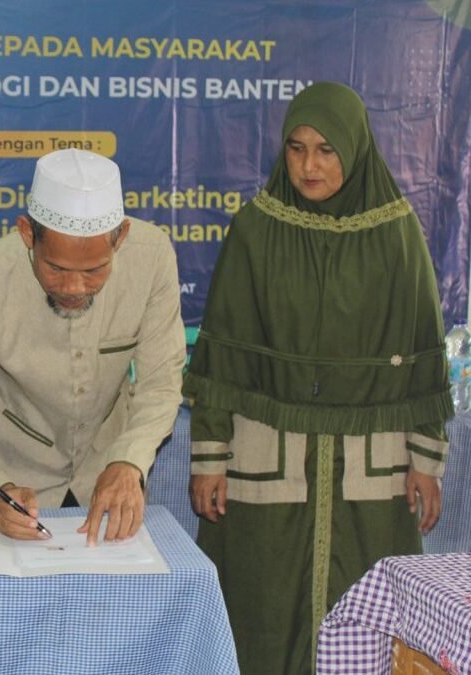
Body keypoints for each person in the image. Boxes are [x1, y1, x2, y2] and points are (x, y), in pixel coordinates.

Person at [183, 82, 451, 675]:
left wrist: (425, 462)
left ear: (355, 150)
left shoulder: (397, 233)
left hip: (371, 472)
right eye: (297, 147)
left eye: (327, 150)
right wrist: (209, 456)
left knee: (369, 615)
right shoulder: (255, 229)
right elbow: (221, 356)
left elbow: (424, 359)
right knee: (261, 607)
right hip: (266, 464)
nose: (308, 165)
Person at [0, 148, 185, 545]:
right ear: (26, 234)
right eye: (55, 268)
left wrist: (129, 461)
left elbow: (160, 383)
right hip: (15, 476)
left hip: (110, 472)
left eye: (94, 270)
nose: (74, 288)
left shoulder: (152, 259)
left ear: (120, 237)